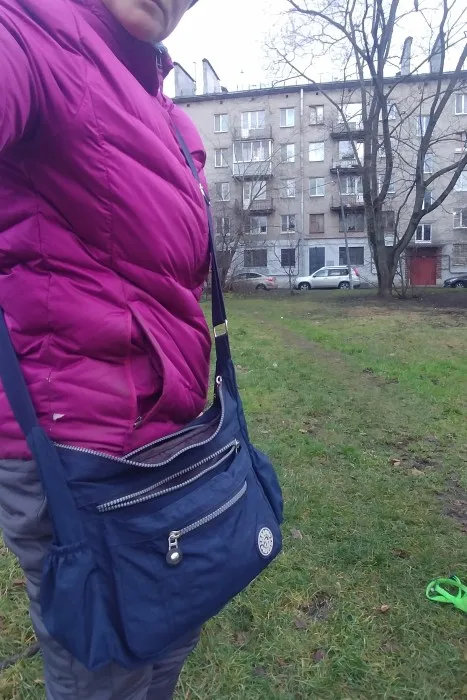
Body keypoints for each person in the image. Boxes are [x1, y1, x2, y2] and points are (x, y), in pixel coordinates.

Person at [0, 0, 210, 697]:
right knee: (108, 671)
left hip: (172, 438)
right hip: (78, 454)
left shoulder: (171, 118)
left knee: (168, 642)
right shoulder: (30, 29)